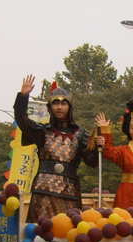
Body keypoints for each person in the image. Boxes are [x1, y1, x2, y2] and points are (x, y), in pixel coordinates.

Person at [13, 74, 99, 222]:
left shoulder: (81, 134)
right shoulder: (42, 132)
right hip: (43, 192)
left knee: (68, 235)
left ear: (69, 106)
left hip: (70, 194)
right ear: (50, 107)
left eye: (64, 103)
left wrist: (98, 146)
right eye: (55, 103)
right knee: (39, 234)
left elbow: (92, 162)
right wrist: (23, 97)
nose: (59, 107)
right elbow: (23, 121)